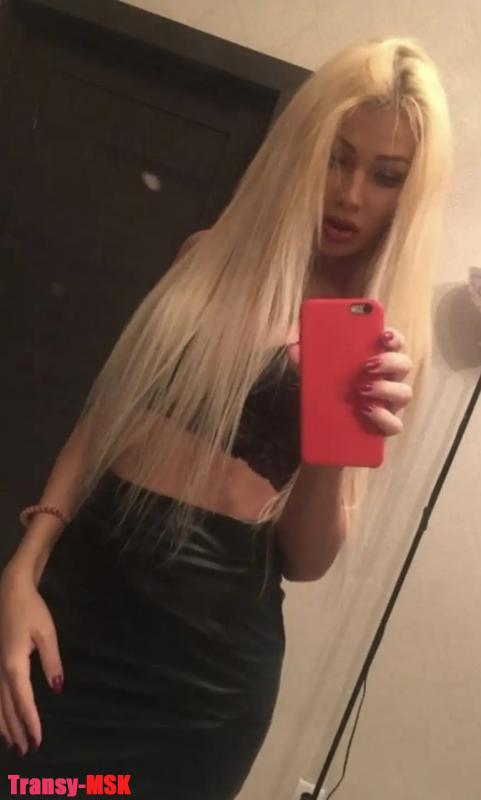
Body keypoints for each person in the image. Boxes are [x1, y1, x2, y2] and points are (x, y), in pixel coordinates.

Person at [0, 36, 451, 799]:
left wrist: (337, 433)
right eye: (336, 157)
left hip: (202, 686)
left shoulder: (379, 341)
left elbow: (304, 560)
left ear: (409, 194)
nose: (349, 194)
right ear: (302, 148)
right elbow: (104, 419)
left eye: (385, 176)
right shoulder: (204, 259)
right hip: (79, 608)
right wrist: (23, 567)